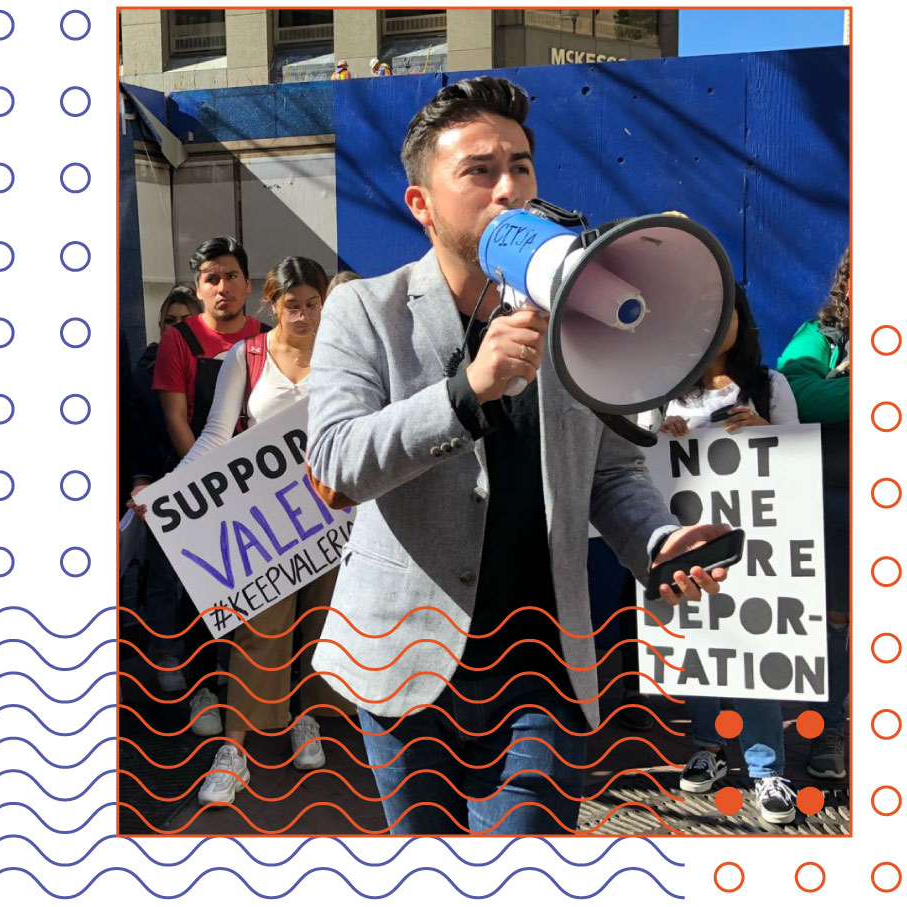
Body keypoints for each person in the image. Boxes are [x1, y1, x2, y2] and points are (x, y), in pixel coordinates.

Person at [305, 76, 732, 835]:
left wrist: (661, 541)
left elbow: (610, 476)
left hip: (541, 666)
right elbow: (336, 460)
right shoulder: (364, 311)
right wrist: (468, 391)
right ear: (422, 204)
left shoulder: (575, 309)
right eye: (479, 170)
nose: (509, 188)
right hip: (405, 662)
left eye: (522, 165)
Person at [170, 257, 354, 807]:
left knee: (320, 627)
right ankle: (235, 749)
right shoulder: (243, 358)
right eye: (291, 304)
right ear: (271, 306)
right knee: (257, 633)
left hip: (336, 514)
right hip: (265, 522)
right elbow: (214, 437)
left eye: (312, 303)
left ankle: (306, 719)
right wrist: (168, 493)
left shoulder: (347, 356)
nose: (302, 314)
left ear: (326, 303)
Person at [653, 285, 801, 825]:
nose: (713, 324)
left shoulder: (769, 385)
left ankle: (766, 769)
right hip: (696, 550)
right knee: (702, 653)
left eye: (724, 312)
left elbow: (799, 462)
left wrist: (770, 435)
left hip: (759, 551)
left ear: (742, 318)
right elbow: (646, 466)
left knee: (754, 655)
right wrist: (665, 435)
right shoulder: (671, 393)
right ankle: (708, 748)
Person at [150, 236, 267, 737]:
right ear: (199, 288)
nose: (223, 287)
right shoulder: (181, 341)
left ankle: (258, 696)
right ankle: (203, 690)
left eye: (232, 276)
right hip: (204, 486)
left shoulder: (268, 335)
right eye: (211, 278)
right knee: (201, 592)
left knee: (262, 597)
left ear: (248, 283)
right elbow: (177, 417)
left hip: (263, 486)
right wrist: (206, 484)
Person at [777, 246, 850, 781]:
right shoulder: (821, 337)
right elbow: (797, 393)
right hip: (837, 502)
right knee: (833, 624)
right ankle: (828, 730)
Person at [131, 286, 202, 692]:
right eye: (169, 322)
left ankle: (211, 656)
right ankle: (167, 653)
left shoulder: (220, 366)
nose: (176, 329)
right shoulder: (142, 376)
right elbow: (137, 433)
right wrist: (143, 480)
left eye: (184, 321)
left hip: (213, 483)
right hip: (163, 484)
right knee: (162, 574)